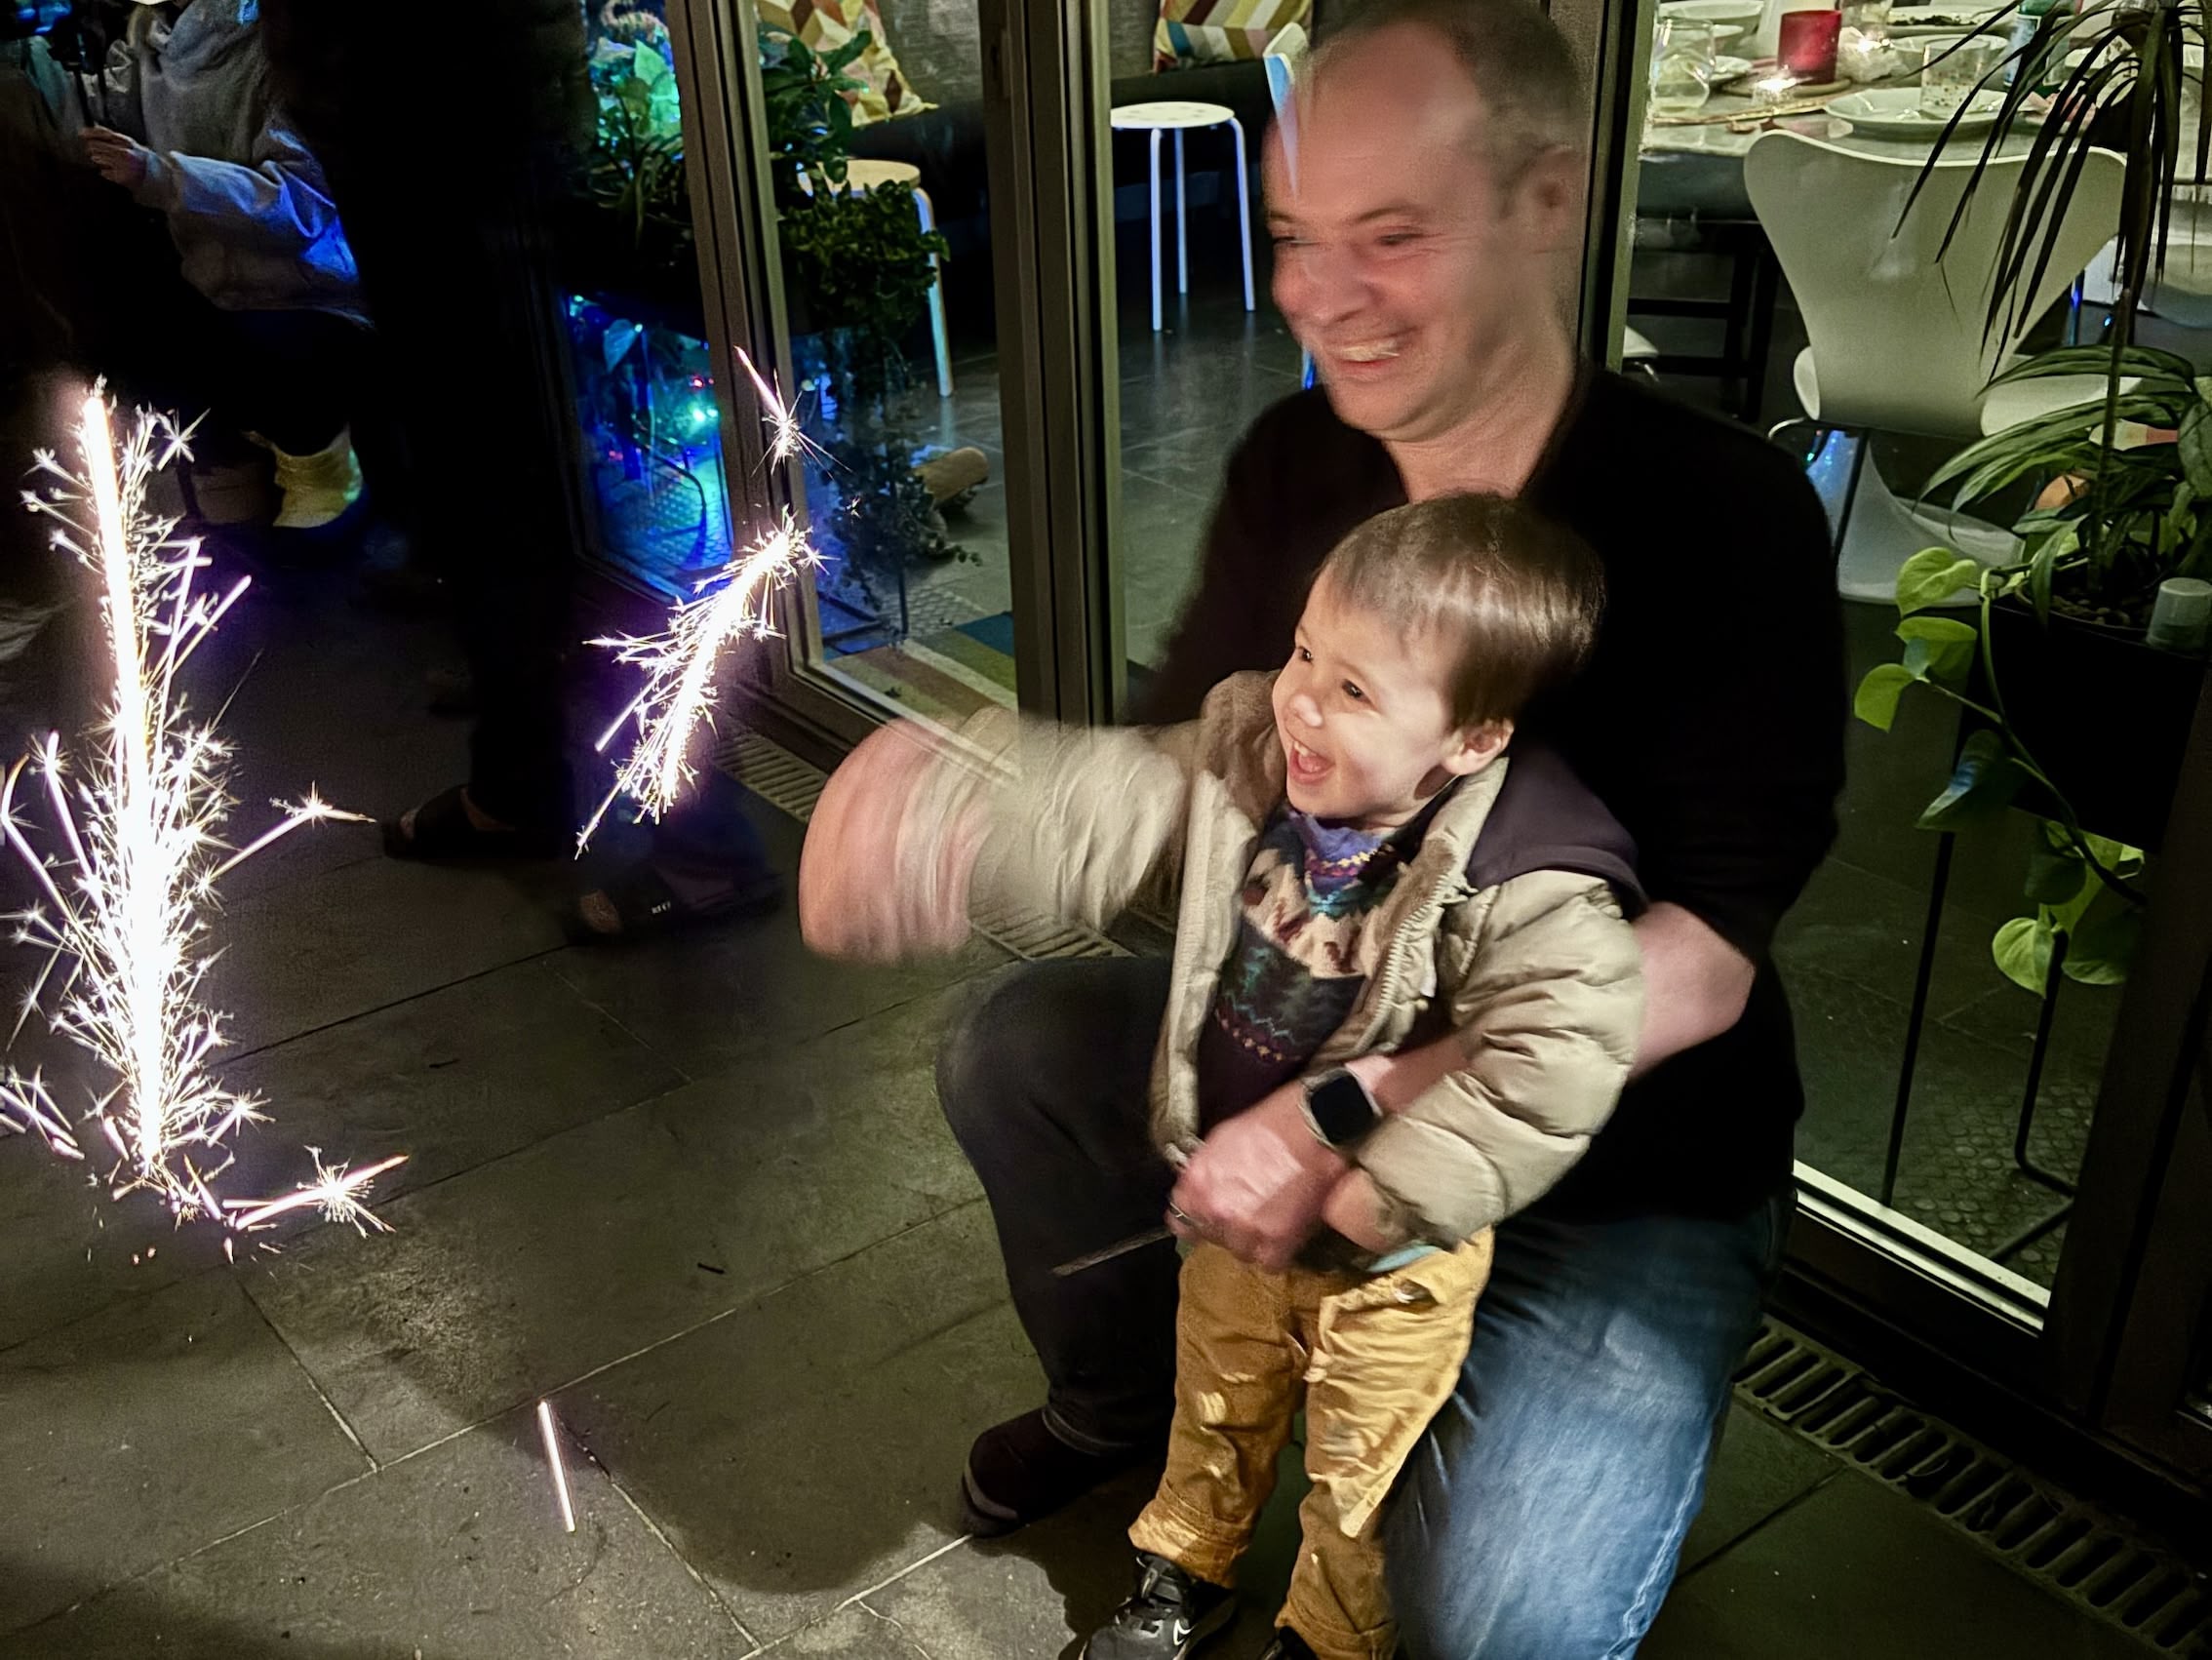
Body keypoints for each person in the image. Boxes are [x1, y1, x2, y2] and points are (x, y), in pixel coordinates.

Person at [814, 0, 1846, 1649]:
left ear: (1544, 204)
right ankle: (1122, 1405)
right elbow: (1203, 778)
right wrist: (987, 806)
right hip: (1301, 1034)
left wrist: (1336, 1119)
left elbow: (1703, 964)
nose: (1312, 296)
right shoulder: (1306, 456)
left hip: (1618, 1156)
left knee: (1480, 1625)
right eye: (1294, 236)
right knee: (1011, 1046)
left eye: (1388, 235)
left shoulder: (1719, 516)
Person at [802, 494, 1646, 1660]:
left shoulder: (1527, 872)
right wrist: (964, 802)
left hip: (1392, 1267)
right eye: (1307, 650)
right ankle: (1183, 1571)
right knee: (1216, 1400)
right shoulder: (1258, 751)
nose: (1301, 695)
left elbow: (1557, 1057)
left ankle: (1326, 1634)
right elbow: (1120, 805)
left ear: (1473, 738)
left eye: (1357, 690)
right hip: (1235, 1213)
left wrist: (1376, 1193)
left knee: (1360, 1472)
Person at [257, 0, 778, 932]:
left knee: (552, 511)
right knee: (485, 496)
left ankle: (704, 843)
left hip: (457, 131)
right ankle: (522, 780)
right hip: (419, 132)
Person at [80, 0, 372, 531]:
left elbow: (303, 205)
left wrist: (162, 175)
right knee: (130, 334)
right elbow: (107, 106)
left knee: (269, 351)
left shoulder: (280, 39)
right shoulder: (150, 29)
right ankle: (245, 466)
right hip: (214, 285)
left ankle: (321, 466)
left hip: (313, 295)